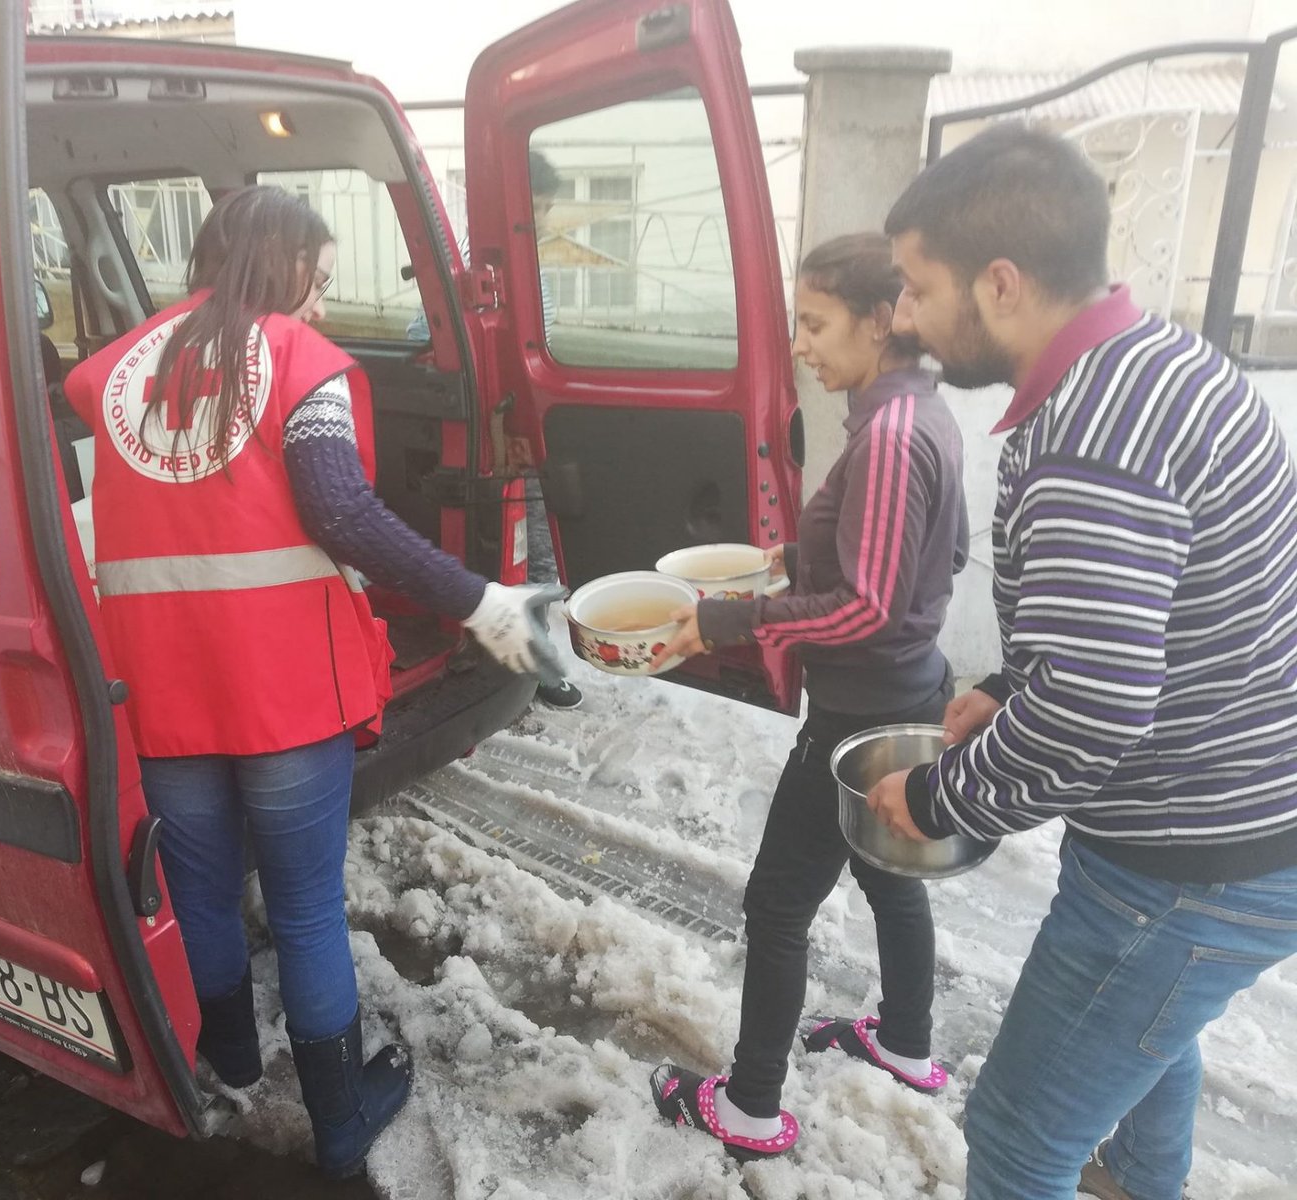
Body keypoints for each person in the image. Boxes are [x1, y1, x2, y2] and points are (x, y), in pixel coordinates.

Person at [62, 186, 564, 1180]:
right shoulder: (296, 361)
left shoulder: (111, 372)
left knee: (202, 891)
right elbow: (340, 509)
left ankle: (233, 1059)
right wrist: (480, 602)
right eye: (320, 279)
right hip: (286, 693)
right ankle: (340, 1120)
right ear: (282, 261)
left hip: (160, 693)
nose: (323, 304)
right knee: (301, 912)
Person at [864, 124, 1297, 1200]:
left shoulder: (1090, 438)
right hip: (1236, 821)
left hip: (1191, 865)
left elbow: (1094, 708)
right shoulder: (1157, 363)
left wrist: (939, 797)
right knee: (1142, 1037)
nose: (902, 316)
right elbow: (1161, 612)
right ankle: (1136, 1183)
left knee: (1017, 1137)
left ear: (1000, 284)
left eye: (917, 287)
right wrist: (1012, 689)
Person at [646, 232, 969, 1161]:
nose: (799, 345)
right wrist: (795, 559)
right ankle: (905, 1043)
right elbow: (934, 556)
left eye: (816, 324)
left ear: (881, 321)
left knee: (779, 904)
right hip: (907, 694)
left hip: (859, 717)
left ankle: (749, 1106)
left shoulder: (890, 437)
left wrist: (727, 621)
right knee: (887, 873)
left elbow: (867, 606)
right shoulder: (919, 413)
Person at [406, 153, 582, 709]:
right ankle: (520, 667)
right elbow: (425, 338)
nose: (544, 220)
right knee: (513, 558)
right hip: (489, 441)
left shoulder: (530, 274)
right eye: (537, 208)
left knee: (541, 558)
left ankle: (534, 663)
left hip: (525, 438)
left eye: (547, 208)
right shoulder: (463, 272)